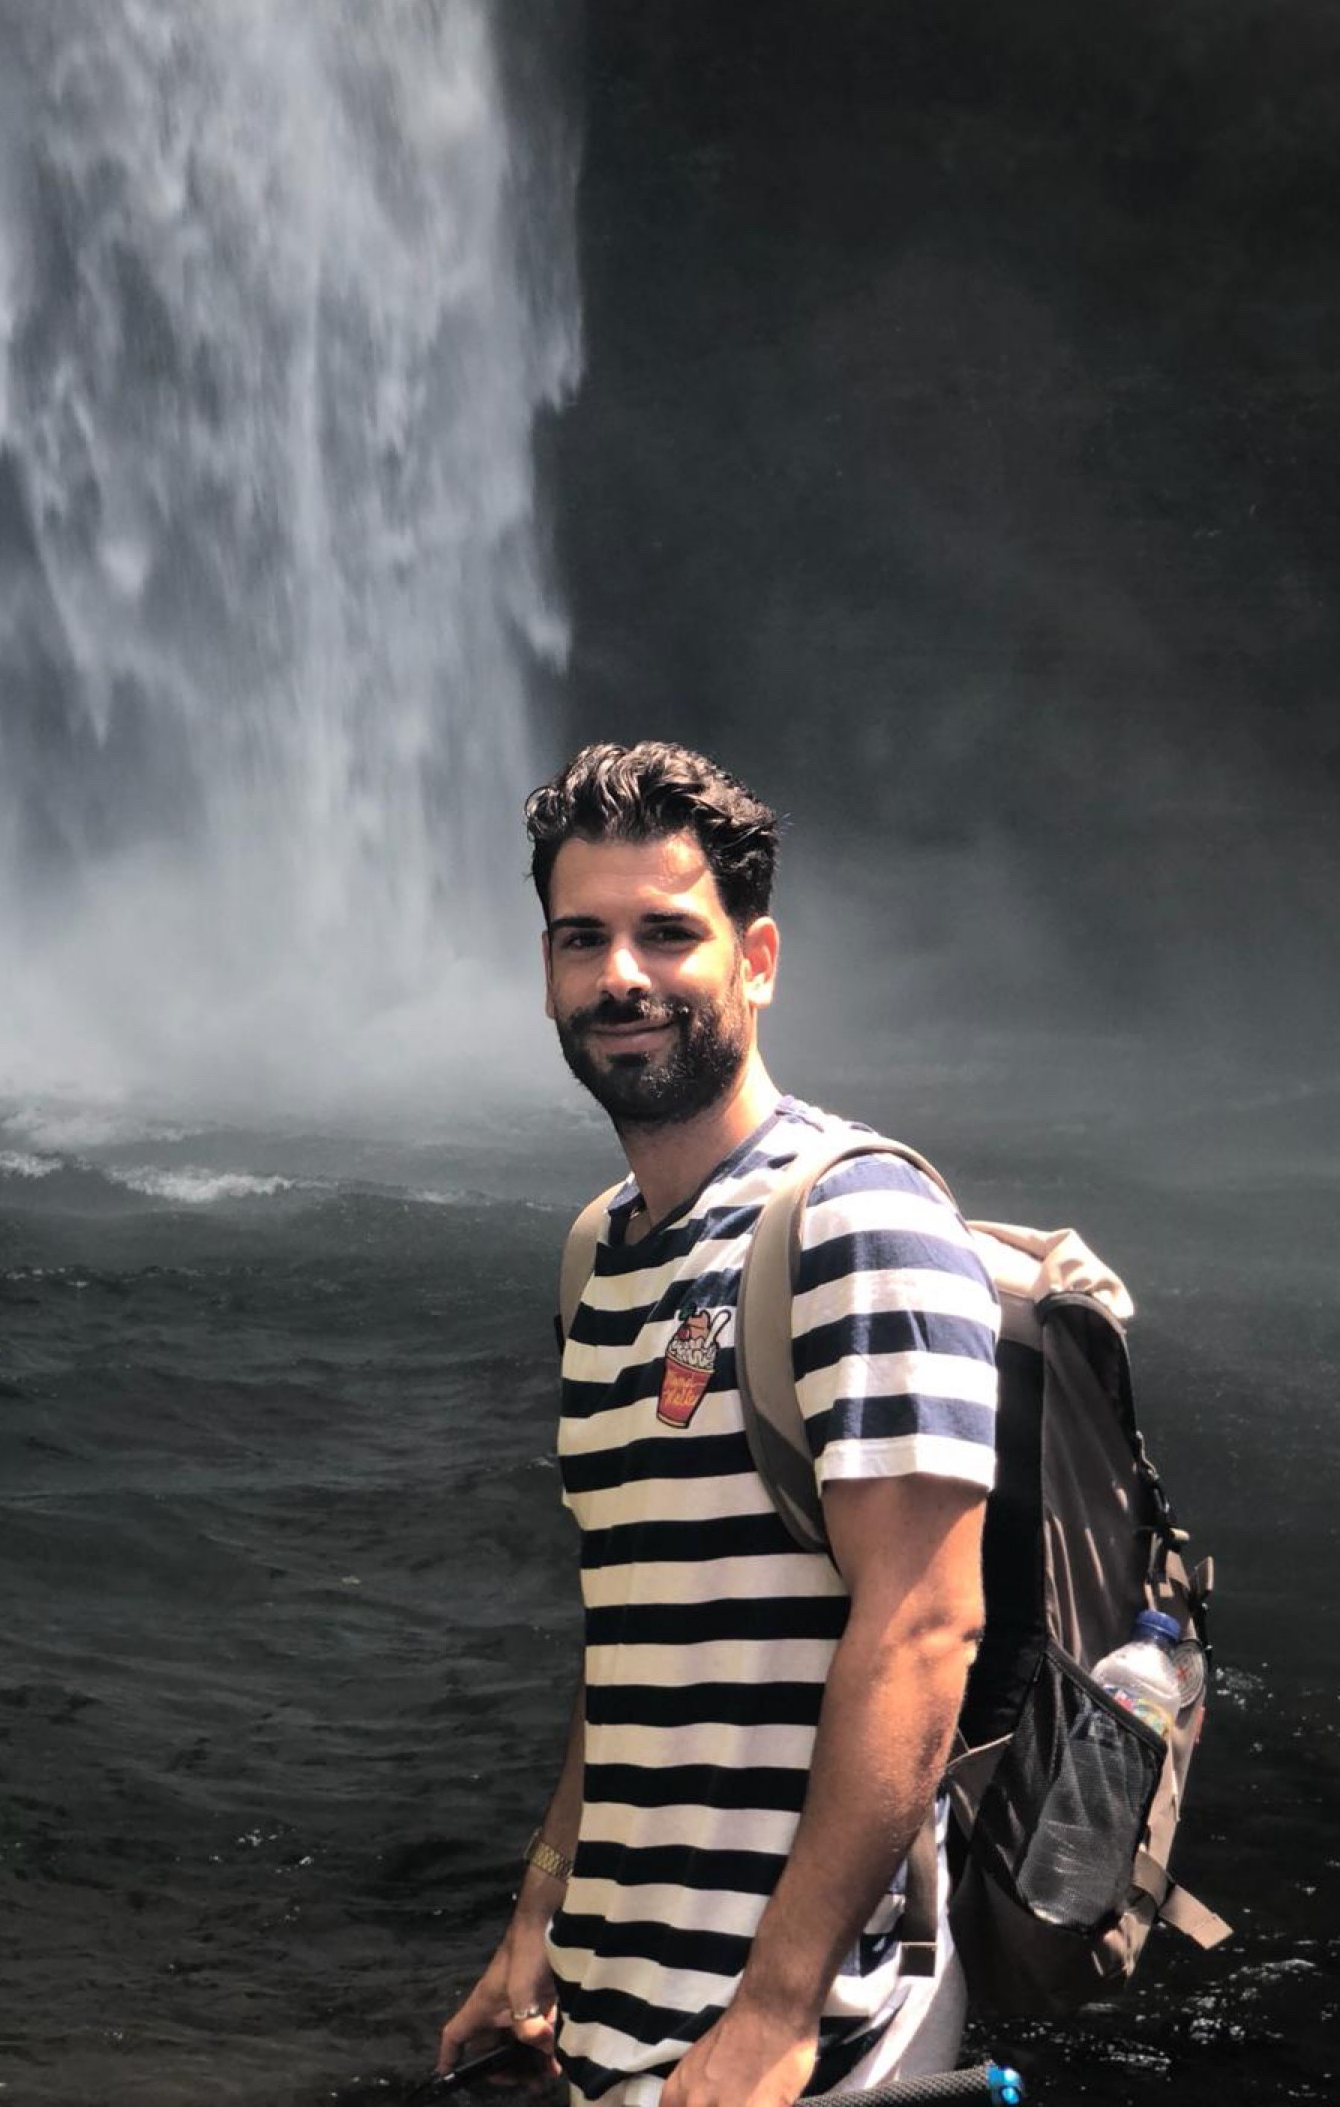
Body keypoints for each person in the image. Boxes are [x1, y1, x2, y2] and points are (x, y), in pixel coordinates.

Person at [436, 741, 999, 2107]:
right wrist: (537, 1921)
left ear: (758, 958)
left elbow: (927, 1628)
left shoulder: (856, 1219)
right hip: (616, 2030)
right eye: (582, 939)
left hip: (808, 2051)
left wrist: (777, 2013)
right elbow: (634, 1634)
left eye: (667, 933)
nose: (619, 975)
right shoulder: (598, 1258)